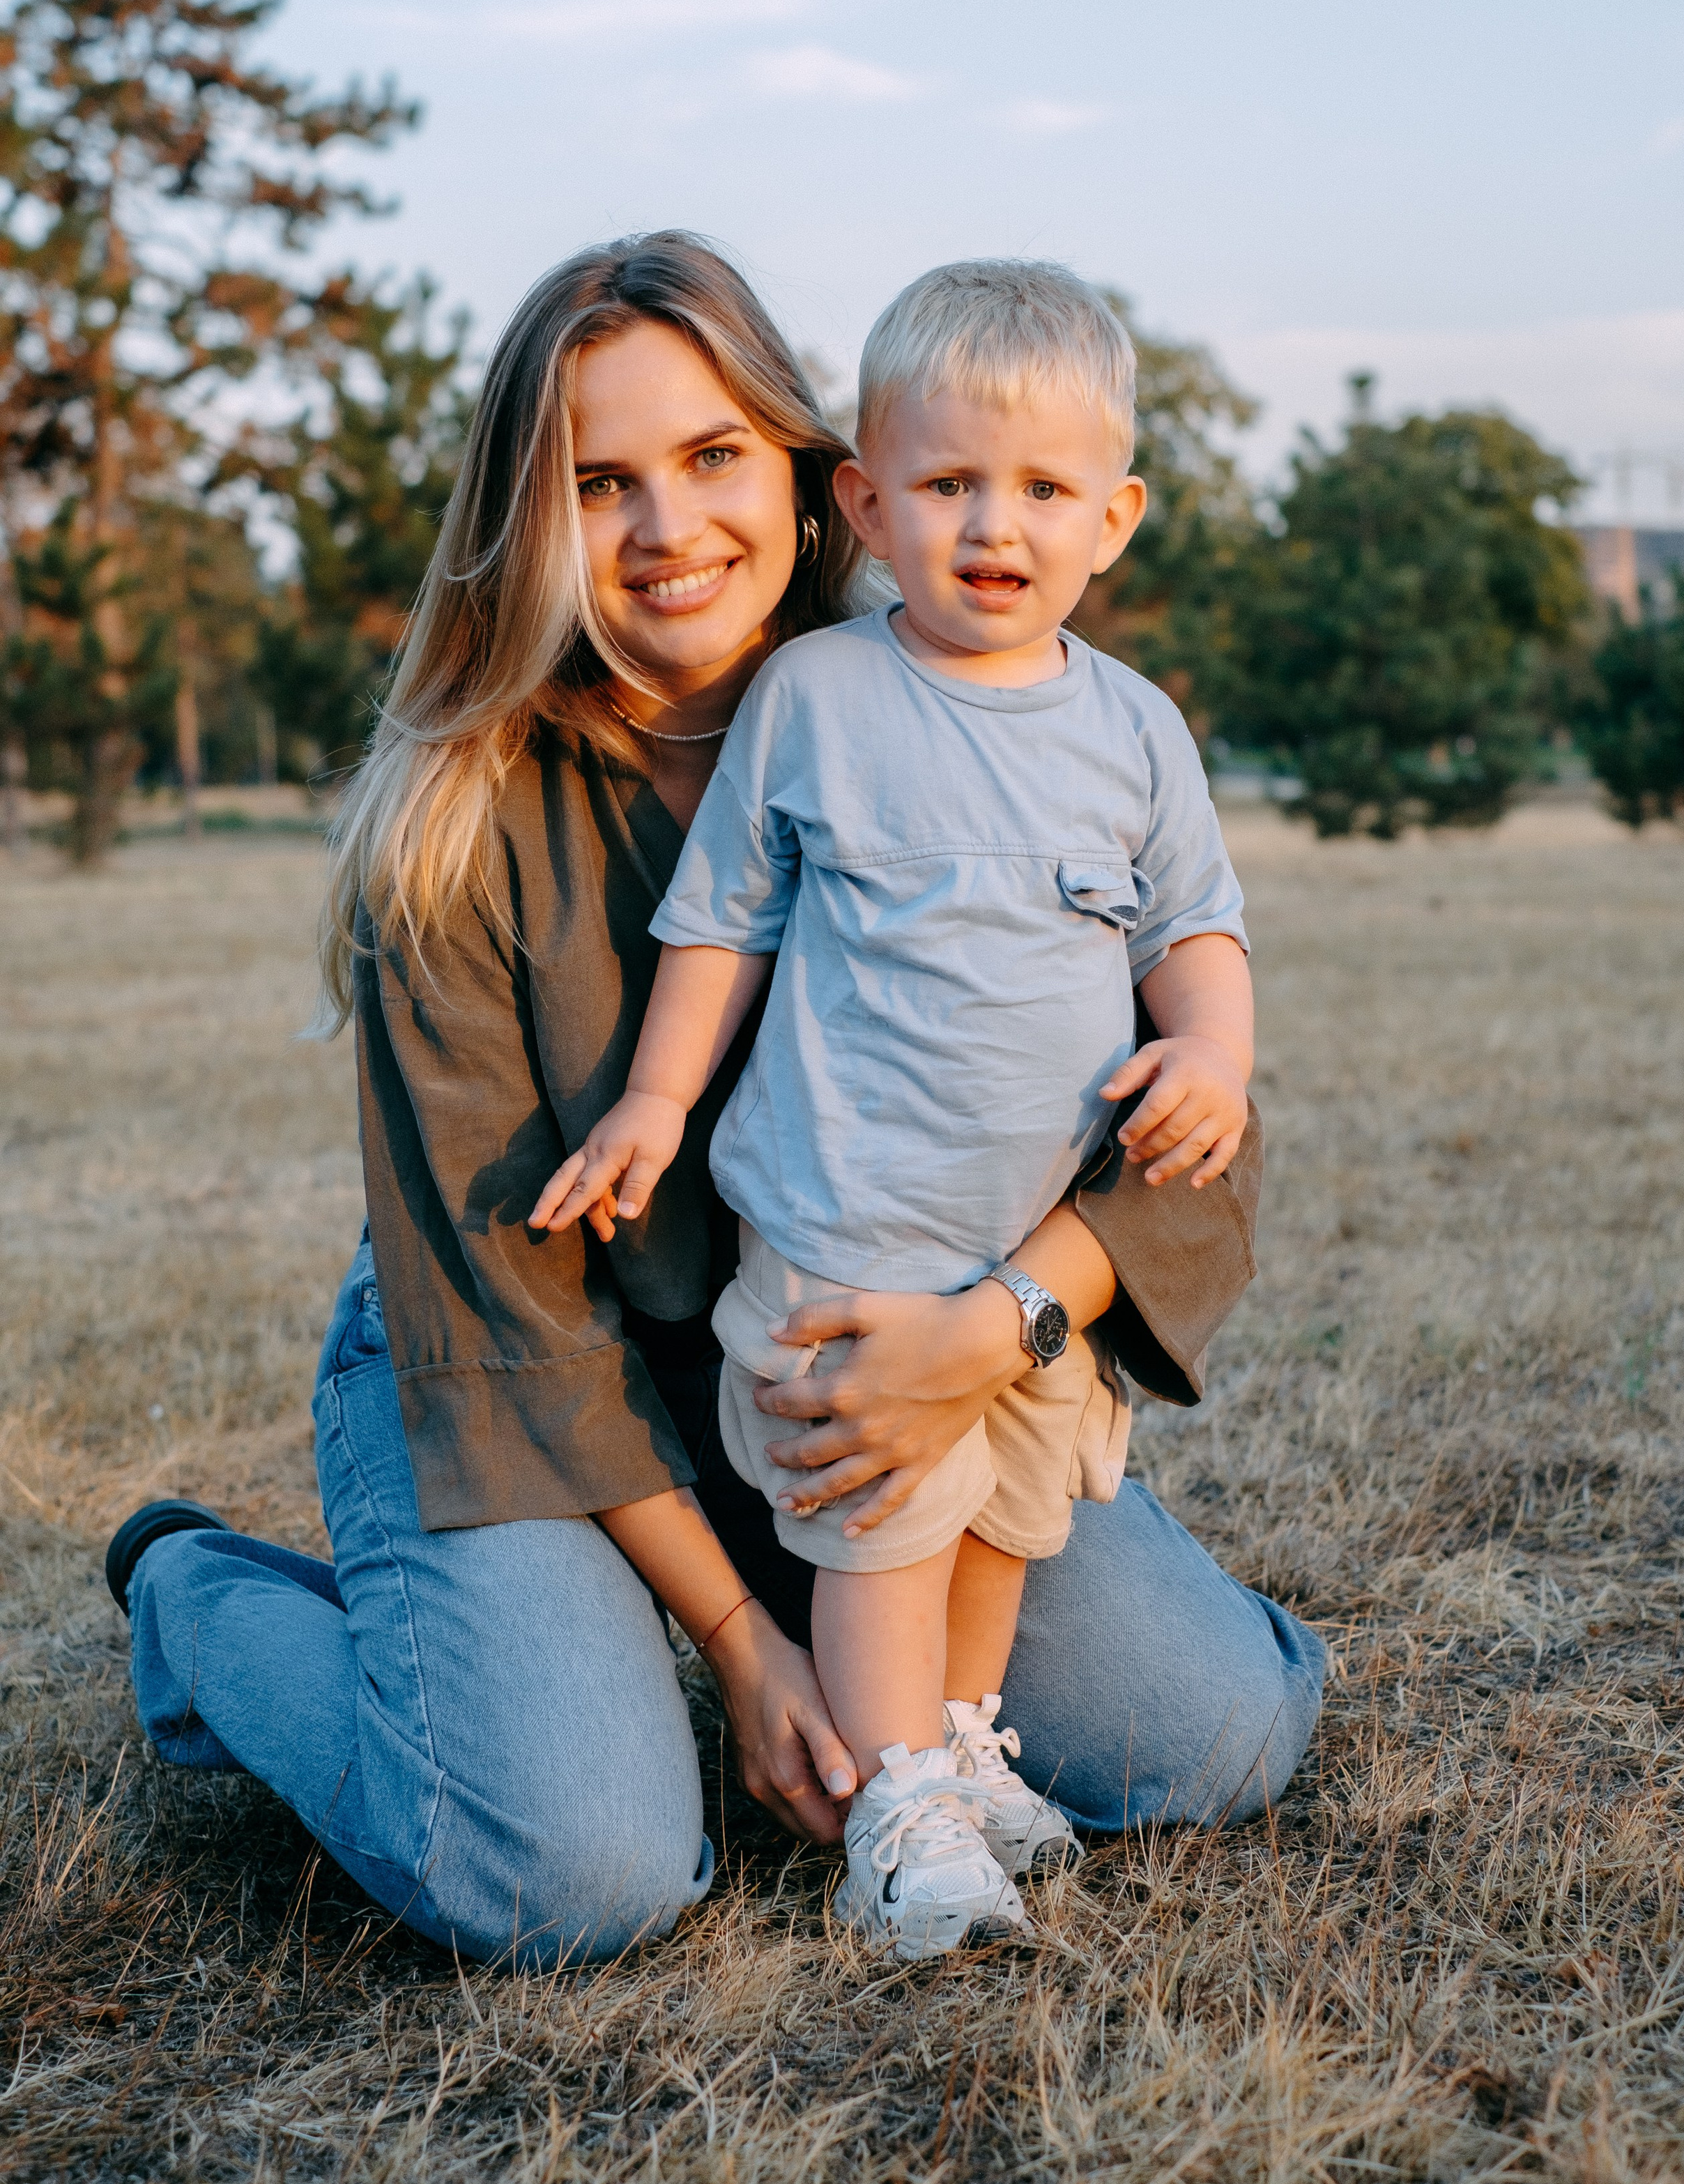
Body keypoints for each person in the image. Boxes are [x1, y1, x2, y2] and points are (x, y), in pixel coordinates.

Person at [105, 232, 1325, 1972]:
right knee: (572, 1873)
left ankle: (995, 1645)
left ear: (802, 473)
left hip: (890, 1343)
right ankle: (201, 1604)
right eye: (599, 483)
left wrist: (989, 1334)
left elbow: (1181, 1120)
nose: (669, 529)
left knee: (1202, 1740)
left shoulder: (960, 688)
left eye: (709, 458)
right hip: (536, 1368)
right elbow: (501, 1288)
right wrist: (749, 1652)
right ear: (529, 519)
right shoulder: (452, 829)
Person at [533, 261, 1255, 1960]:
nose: (991, 525)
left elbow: (1193, 930)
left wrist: (1210, 1057)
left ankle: (964, 1750)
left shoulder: (1135, 734)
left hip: (1024, 1257)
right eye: (944, 486)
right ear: (860, 503)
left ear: (1114, 517)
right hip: (853, 1241)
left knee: (1006, 1513)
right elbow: (718, 923)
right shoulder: (822, 702)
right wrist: (651, 1100)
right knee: (882, 1523)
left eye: (1041, 490)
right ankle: (892, 1801)